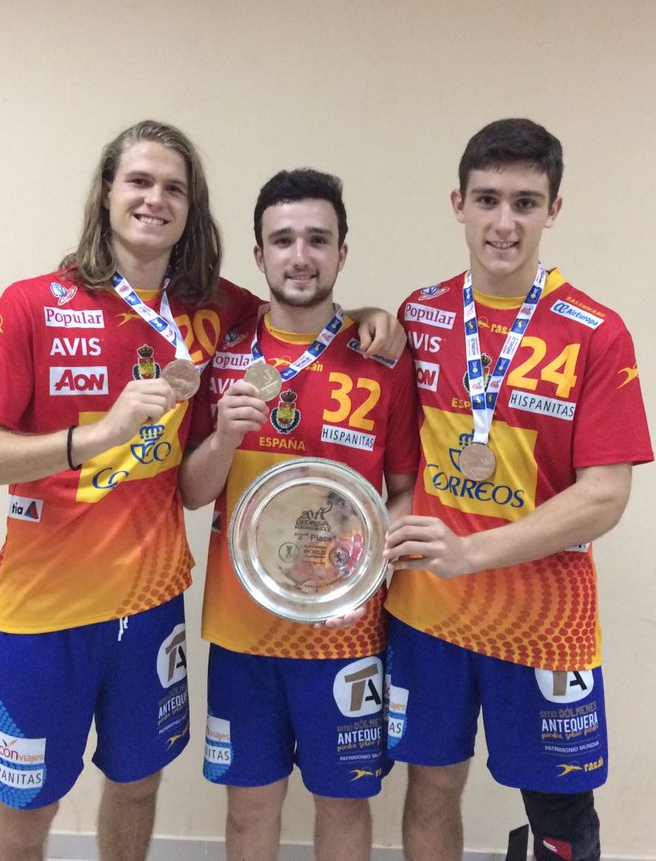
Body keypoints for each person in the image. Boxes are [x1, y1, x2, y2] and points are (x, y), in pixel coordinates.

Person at [0, 123, 401, 861]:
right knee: (27, 807)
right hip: (44, 612)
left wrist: (370, 318)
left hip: (151, 608)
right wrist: (96, 436)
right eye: (139, 181)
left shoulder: (213, 309)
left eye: (174, 188)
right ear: (106, 192)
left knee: (137, 788)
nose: (155, 199)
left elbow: (302, 307)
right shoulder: (32, 304)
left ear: (191, 208)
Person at [383, 119, 654, 861]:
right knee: (430, 787)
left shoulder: (596, 332)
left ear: (553, 210)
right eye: (488, 200)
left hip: (542, 622)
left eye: (526, 203)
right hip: (428, 614)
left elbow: (605, 495)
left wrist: (471, 553)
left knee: (561, 817)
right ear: (458, 204)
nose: (504, 223)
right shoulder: (419, 314)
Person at [179, 168, 419, 861]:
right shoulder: (224, 352)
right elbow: (192, 492)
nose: (301, 256)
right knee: (248, 812)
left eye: (318, 239)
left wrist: (369, 567)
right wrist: (224, 438)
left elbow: (403, 491)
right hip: (242, 631)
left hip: (345, 634)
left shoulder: (382, 357)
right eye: (283, 240)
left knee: (343, 805)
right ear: (259, 255)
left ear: (343, 252)